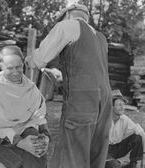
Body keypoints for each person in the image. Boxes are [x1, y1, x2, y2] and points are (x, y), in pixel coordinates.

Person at [25, 3, 112, 168]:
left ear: (68, 15)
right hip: (105, 100)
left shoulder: (67, 26)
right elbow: (88, 68)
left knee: (72, 153)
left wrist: (30, 59)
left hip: (83, 99)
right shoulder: (101, 37)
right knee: (95, 153)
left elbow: (41, 58)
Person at [0, 45, 50, 168]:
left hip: (25, 129)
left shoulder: (31, 88)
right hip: (0, 136)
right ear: (1, 66)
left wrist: (45, 136)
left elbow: (39, 116)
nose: (15, 72)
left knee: (37, 151)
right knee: (18, 159)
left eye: (18, 67)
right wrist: (20, 142)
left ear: (23, 64)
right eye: (10, 68)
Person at [106, 89, 145, 168]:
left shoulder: (124, 119)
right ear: (111, 106)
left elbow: (142, 134)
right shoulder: (103, 120)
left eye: (123, 104)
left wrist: (144, 155)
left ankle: (133, 164)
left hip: (117, 148)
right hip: (104, 150)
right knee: (113, 166)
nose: (122, 107)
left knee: (137, 137)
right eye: (119, 104)